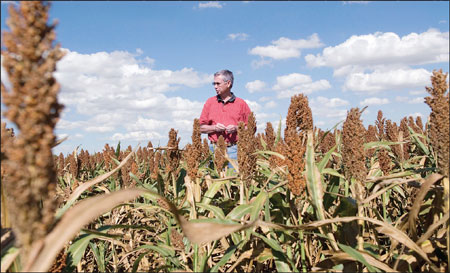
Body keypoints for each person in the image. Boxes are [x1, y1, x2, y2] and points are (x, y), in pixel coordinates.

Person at [199, 69, 252, 162]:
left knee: (233, 176)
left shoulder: (241, 103)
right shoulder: (210, 102)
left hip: (234, 150)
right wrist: (215, 128)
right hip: (213, 149)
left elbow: (251, 128)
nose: (215, 87)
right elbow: (200, 128)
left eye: (218, 83)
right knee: (213, 176)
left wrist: (237, 128)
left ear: (228, 83)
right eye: (214, 84)